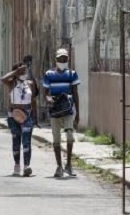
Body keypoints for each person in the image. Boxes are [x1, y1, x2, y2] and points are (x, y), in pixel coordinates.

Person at [43, 48, 81, 177]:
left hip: (69, 109)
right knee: (56, 139)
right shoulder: (49, 74)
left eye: (65, 59)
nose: (62, 61)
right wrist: (48, 99)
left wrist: (78, 114)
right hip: (55, 110)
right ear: (56, 60)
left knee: (70, 137)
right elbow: (45, 93)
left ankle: (69, 164)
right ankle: (59, 166)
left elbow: (75, 93)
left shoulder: (72, 74)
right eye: (60, 59)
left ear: (68, 60)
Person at [1, 62, 39, 177]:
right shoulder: (11, 83)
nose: (23, 73)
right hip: (14, 114)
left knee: (26, 141)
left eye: (24, 71)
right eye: (20, 72)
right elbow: (3, 79)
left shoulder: (30, 83)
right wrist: (15, 72)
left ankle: (27, 166)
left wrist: (35, 117)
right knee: (16, 140)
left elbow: (33, 100)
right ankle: (17, 164)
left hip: (27, 114)